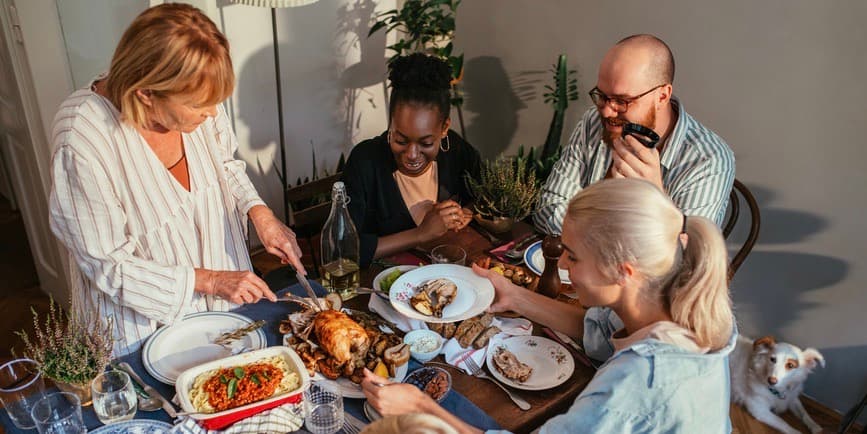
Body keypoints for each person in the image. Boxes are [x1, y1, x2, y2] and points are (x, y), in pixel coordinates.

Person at [362, 179, 737, 433]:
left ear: (622, 272)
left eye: (572, 257)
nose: (563, 266)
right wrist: (515, 296)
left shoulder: (633, 385)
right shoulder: (684, 308)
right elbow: (599, 329)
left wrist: (423, 410)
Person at [48, 4, 306, 356]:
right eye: (200, 105)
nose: (213, 113)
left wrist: (260, 213)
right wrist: (211, 281)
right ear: (146, 93)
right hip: (140, 334)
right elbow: (107, 264)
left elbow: (225, 163)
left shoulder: (197, 95)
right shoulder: (82, 136)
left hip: (225, 312)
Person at [534, 34, 735, 235]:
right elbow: (547, 210)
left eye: (622, 101)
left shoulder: (709, 159)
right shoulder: (593, 123)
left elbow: (688, 258)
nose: (606, 111)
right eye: (601, 96)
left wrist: (658, 202)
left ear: (662, 96)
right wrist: (606, 213)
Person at [342, 53, 481, 267]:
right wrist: (420, 234)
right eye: (400, 140)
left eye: (426, 143)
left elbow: (482, 194)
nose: (412, 155)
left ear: (444, 128)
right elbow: (344, 250)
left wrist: (464, 213)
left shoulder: (455, 150)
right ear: (391, 122)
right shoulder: (365, 162)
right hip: (382, 286)